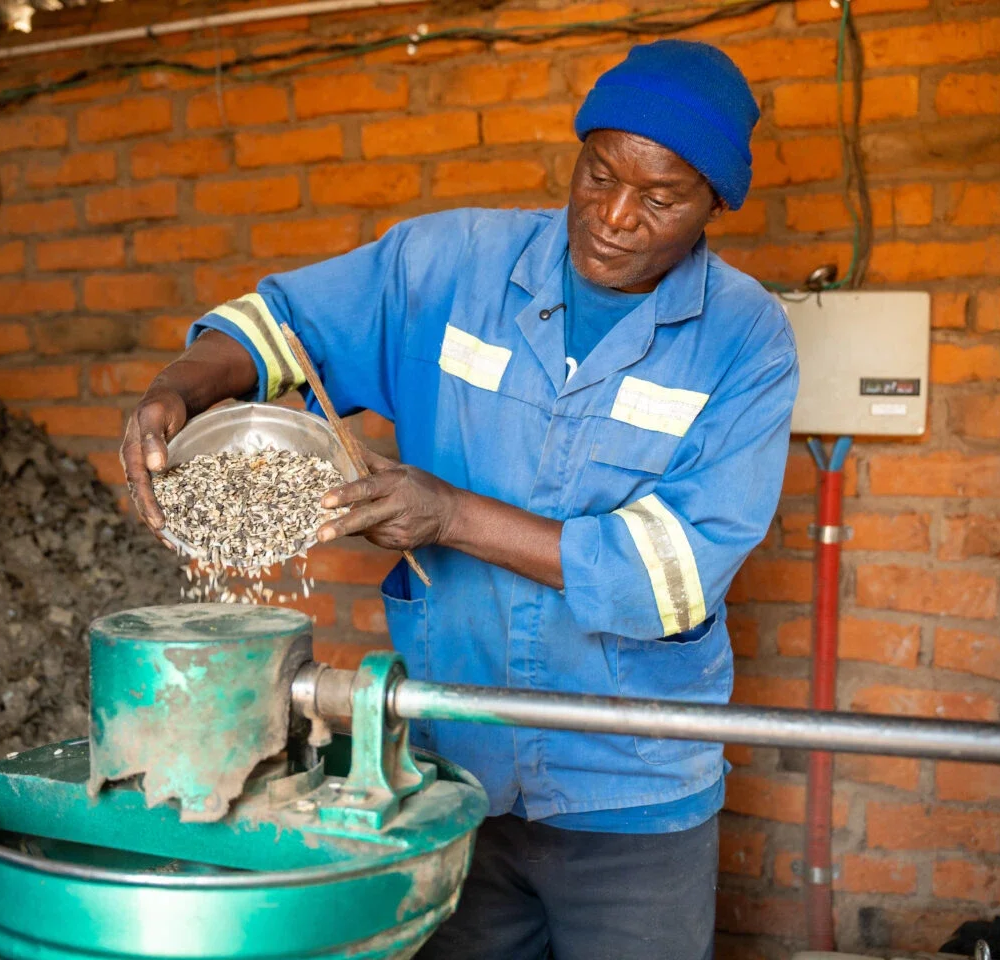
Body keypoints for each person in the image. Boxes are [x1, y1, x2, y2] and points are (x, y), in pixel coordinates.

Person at [121, 39, 798, 960]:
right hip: (450, 769)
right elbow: (286, 325)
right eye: (597, 175)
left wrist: (452, 516)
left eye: (660, 197)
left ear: (715, 203)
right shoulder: (452, 264)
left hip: (632, 793)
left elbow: (673, 574)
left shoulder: (745, 340)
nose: (614, 216)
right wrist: (183, 385)